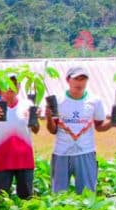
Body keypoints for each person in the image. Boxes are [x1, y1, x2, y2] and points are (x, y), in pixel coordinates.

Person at [46, 65, 111, 194]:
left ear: (87, 81)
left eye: (83, 79)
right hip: (62, 153)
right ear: (68, 80)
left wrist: (112, 123)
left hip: (85, 152)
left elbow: (99, 127)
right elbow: (53, 130)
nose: (79, 83)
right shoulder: (58, 100)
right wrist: (48, 117)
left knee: (87, 193)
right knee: (59, 193)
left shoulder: (94, 101)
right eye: (76, 79)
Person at [0, 75, 39, 199]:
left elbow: (36, 130)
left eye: (14, 84)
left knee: (26, 199)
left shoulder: (28, 104)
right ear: (0, 88)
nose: (10, 88)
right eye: (7, 84)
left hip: (24, 159)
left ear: (19, 87)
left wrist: (34, 118)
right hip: (3, 159)